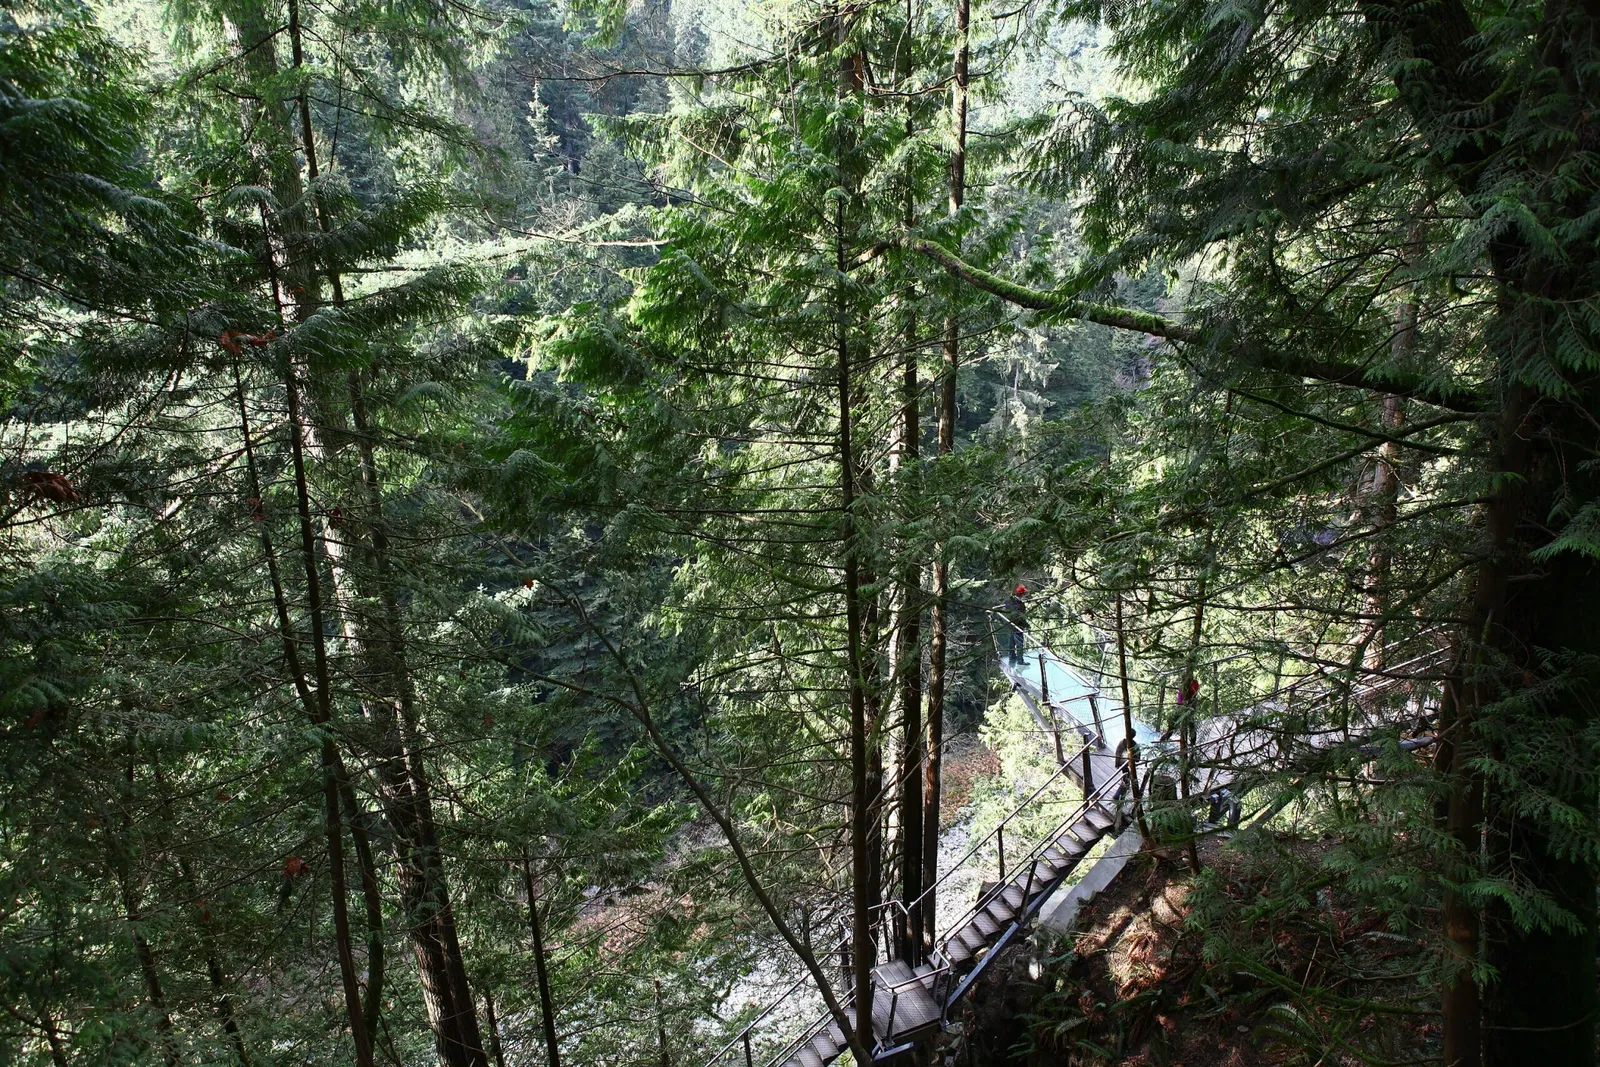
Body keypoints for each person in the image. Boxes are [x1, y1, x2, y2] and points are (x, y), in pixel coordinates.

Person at [1007, 584, 1028, 665]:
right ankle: (1020, 661)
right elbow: (1020, 615)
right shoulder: (1018, 604)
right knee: (1019, 643)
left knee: (1011, 642)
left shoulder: (1009, 601)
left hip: (1010, 625)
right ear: (1021, 594)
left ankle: (1012, 656)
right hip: (1017, 626)